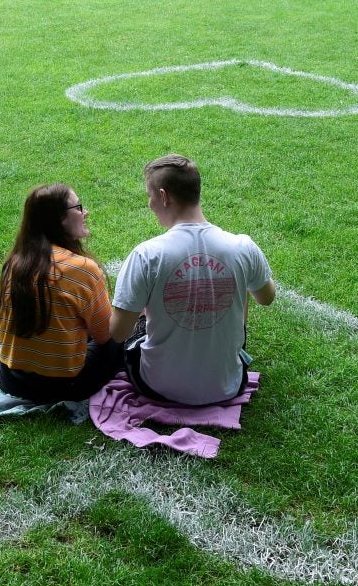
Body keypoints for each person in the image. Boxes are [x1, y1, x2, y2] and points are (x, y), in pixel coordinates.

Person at [109, 154, 276, 406]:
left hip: (156, 386)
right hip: (228, 385)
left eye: (150, 195)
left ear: (164, 196)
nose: (149, 203)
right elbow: (266, 297)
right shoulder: (243, 247)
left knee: (139, 320)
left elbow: (118, 332)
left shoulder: (146, 255)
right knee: (240, 287)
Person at [0, 184, 123, 403]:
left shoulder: (15, 262)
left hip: (11, 380)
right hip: (63, 387)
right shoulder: (83, 268)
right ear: (60, 219)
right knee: (120, 336)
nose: (85, 213)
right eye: (78, 208)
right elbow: (106, 335)